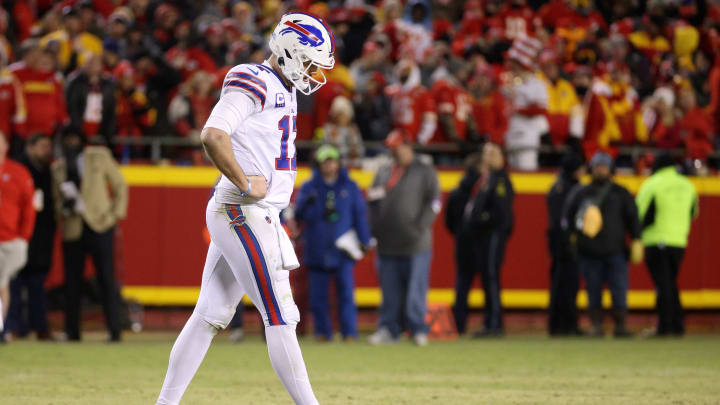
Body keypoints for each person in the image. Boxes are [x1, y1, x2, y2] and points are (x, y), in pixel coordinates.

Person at [156, 13, 336, 405]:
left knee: (210, 315)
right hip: (242, 210)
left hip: (255, 213)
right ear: (288, 51)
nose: (311, 72)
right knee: (281, 315)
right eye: (308, 61)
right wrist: (243, 181)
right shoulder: (253, 78)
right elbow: (213, 134)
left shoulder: (283, 87)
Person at [367, 130, 440, 346]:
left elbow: (435, 202)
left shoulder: (424, 170)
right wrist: (374, 228)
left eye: (396, 147)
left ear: (408, 146)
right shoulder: (384, 170)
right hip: (387, 242)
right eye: (391, 147)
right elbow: (372, 199)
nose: (393, 151)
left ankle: (417, 329)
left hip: (416, 242)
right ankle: (389, 328)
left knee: (415, 291)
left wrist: (421, 226)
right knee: (389, 291)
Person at [52, 132, 128, 342]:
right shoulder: (58, 167)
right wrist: (63, 209)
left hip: (100, 225)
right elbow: (55, 201)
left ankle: (115, 331)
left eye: (73, 139)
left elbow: (120, 184)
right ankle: (72, 332)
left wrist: (115, 215)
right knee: (72, 283)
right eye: (66, 140)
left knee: (106, 279)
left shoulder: (99, 156)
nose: (70, 142)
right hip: (73, 227)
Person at [294, 144, 371, 342]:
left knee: (346, 293)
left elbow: (359, 215)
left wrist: (364, 241)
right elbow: (298, 214)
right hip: (317, 248)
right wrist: (306, 203)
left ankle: (349, 333)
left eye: (332, 161)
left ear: (338, 163)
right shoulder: (309, 187)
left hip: (343, 250)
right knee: (318, 296)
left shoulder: (350, 186)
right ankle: (322, 332)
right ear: (318, 164)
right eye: (325, 161)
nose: (329, 165)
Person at [563, 152, 642, 338]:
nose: (600, 170)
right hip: (589, 252)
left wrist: (637, 239)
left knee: (619, 290)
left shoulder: (620, 193)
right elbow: (568, 218)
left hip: (616, 251)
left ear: (610, 169)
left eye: (604, 167)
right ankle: (596, 326)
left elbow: (633, 218)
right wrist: (572, 239)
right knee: (593, 291)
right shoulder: (581, 193)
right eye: (597, 167)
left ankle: (620, 326)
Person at [445, 143, 514, 337]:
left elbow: (502, 214)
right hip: (482, 236)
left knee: (490, 276)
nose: (488, 157)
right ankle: (489, 322)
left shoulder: (499, 180)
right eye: (486, 153)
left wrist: (480, 220)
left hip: (492, 234)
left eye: (492, 153)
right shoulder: (486, 179)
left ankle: (494, 323)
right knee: (486, 278)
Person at [636, 154, 698, 337]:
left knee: (663, 285)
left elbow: (639, 214)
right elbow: (694, 213)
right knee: (670, 283)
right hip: (679, 241)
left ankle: (666, 325)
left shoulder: (652, 184)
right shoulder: (688, 185)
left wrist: (636, 235)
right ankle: (676, 324)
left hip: (656, 240)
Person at [5, 134, 56, 341]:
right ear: (30, 147)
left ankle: (39, 326)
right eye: (43, 146)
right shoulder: (18, 169)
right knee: (14, 284)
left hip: (41, 236)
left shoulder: (48, 170)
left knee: (37, 284)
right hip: (18, 235)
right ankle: (13, 327)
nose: (47, 150)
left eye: (48, 146)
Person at [0, 133, 35, 339]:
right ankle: (3, 329)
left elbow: (28, 209)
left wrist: (24, 237)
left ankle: (3, 327)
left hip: (12, 239)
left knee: (2, 283)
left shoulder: (18, 172)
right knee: (1, 283)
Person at [546, 154, 585, 336]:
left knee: (560, 283)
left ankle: (559, 324)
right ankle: (566, 324)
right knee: (568, 284)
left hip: (559, 242)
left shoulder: (558, 186)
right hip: (565, 243)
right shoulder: (569, 188)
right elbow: (563, 220)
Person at [503, 37, 549, 171]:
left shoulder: (536, 84)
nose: (511, 65)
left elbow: (541, 110)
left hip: (527, 134)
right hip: (509, 133)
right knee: (509, 172)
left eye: (515, 62)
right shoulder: (507, 81)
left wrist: (518, 110)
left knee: (527, 169)